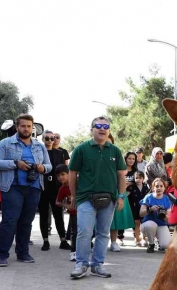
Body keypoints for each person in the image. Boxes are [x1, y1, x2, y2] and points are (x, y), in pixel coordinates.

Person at [69, 116, 127, 279]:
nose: (102, 129)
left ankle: (97, 265)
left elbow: (121, 176)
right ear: (92, 129)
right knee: (85, 231)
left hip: (108, 199)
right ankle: (81, 264)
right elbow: (72, 174)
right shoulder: (81, 149)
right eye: (98, 126)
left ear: (109, 130)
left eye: (105, 126)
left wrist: (121, 196)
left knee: (103, 233)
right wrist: (74, 195)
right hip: (86, 198)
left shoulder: (115, 150)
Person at [0, 114, 52, 267]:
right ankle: (2, 254)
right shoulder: (6, 143)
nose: (26, 129)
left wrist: (41, 168)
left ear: (32, 128)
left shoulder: (40, 146)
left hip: (34, 187)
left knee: (26, 222)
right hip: (12, 187)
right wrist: (15, 163)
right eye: (23, 126)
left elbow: (49, 166)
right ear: (17, 127)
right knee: (9, 221)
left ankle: (23, 252)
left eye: (29, 126)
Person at [38, 131, 68, 251]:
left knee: (58, 214)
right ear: (43, 139)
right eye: (47, 138)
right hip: (43, 187)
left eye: (52, 138)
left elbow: (63, 171)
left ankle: (63, 240)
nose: (50, 140)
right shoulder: (39, 152)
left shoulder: (59, 153)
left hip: (56, 188)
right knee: (44, 215)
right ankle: (45, 241)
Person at [109, 152, 136, 252]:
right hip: (105, 191)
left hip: (118, 193)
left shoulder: (120, 166)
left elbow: (122, 179)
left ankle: (113, 242)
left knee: (116, 218)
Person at [139, 178, 173, 253]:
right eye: (157, 186)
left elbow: (169, 219)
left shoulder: (166, 199)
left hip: (161, 224)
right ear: (153, 187)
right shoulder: (148, 197)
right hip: (148, 224)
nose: (159, 188)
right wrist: (150, 209)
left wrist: (163, 214)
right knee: (151, 225)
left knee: (166, 245)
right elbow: (141, 214)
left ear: (164, 188)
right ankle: (151, 244)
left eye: (161, 186)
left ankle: (159, 242)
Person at [55, 164, 77, 260]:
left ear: (69, 174)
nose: (60, 177)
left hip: (84, 212)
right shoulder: (62, 189)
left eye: (63, 174)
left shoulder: (78, 183)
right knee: (74, 233)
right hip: (73, 214)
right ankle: (74, 252)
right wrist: (67, 205)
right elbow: (57, 202)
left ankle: (87, 245)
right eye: (58, 176)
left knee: (90, 231)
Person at [127, 171, 150, 247]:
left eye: (140, 178)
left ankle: (143, 239)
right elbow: (127, 196)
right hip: (134, 208)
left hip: (143, 208)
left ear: (143, 179)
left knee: (143, 223)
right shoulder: (131, 188)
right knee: (137, 224)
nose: (138, 180)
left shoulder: (146, 187)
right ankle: (137, 239)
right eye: (136, 178)